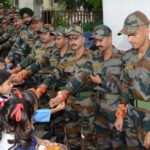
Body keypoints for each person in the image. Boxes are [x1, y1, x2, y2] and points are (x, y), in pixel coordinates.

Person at [50, 24, 124, 150]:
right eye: (95, 40)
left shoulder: (122, 58)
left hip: (115, 110)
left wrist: (102, 82)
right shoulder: (94, 57)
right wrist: (63, 94)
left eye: (101, 40)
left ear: (110, 38)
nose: (98, 43)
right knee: (100, 145)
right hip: (98, 109)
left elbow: (125, 87)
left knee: (118, 145)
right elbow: (80, 76)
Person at [36, 25, 97, 150]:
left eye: (76, 38)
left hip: (88, 104)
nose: (73, 41)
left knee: (90, 140)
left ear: (83, 39)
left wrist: (60, 95)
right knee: (72, 139)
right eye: (70, 38)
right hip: (70, 103)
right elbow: (55, 73)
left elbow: (80, 78)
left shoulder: (93, 57)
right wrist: (43, 86)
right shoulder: (66, 58)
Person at [114, 11, 150, 149]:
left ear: (147, 30)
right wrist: (121, 114)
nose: (129, 39)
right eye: (128, 35)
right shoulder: (128, 57)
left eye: (133, 34)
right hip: (130, 116)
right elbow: (125, 87)